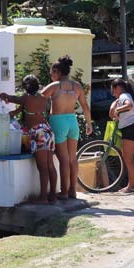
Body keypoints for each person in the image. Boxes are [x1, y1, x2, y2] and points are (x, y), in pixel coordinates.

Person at [0, 75, 57, 204]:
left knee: (43, 168)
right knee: (50, 165)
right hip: (48, 130)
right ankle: (52, 195)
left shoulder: (26, 98)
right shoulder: (42, 97)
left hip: (38, 132)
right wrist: (16, 111)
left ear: (25, 87)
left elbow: (15, 99)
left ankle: (43, 198)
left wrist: (5, 95)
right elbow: (27, 108)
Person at [42, 55, 92, 200]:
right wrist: (89, 124)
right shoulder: (76, 86)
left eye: (52, 73)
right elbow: (85, 106)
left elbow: (37, 99)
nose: (51, 76)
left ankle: (63, 192)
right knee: (72, 158)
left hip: (58, 121)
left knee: (63, 159)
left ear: (57, 71)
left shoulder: (54, 86)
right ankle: (72, 190)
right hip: (72, 121)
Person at [109, 78, 134, 193]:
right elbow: (111, 114)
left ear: (117, 88)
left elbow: (128, 105)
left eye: (113, 91)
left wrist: (118, 109)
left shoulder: (124, 96)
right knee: (129, 158)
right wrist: (116, 105)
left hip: (131, 128)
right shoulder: (123, 96)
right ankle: (132, 184)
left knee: (128, 158)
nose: (112, 93)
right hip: (132, 128)